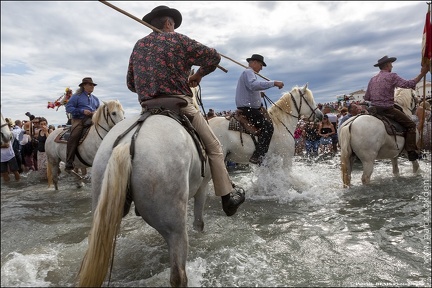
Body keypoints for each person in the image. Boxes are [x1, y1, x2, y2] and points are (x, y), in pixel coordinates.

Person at [126, 5, 245, 216]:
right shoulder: (178, 39)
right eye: (173, 24)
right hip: (179, 104)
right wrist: (198, 76)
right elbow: (214, 57)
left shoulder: (139, 45)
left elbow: (130, 84)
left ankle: (128, 194)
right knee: (215, 148)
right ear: (168, 23)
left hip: (147, 107)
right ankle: (227, 198)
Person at [364, 55, 429, 161]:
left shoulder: (372, 79)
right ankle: (411, 151)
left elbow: (367, 97)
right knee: (411, 125)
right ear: (387, 65)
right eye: (391, 64)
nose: (392, 66)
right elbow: (409, 84)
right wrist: (422, 73)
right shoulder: (392, 76)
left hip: (373, 110)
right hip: (387, 110)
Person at [235, 54, 284, 165]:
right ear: (254, 63)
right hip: (248, 109)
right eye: (261, 65)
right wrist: (274, 82)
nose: (261, 68)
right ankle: (258, 156)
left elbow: (251, 88)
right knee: (268, 127)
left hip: (249, 107)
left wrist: (258, 94)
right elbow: (253, 85)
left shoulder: (249, 73)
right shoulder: (249, 72)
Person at [65, 77, 100, 171]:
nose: (92, 86)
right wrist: (82, 111)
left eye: (93, 85)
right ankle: (69, 161)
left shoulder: (96, 99)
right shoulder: (76, 96)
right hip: (79, 120)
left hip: (92, 119)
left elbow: (98, 110)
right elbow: (68, 108)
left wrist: (95, 113)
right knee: (74, 136)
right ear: (84, 86)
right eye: (90, 84)